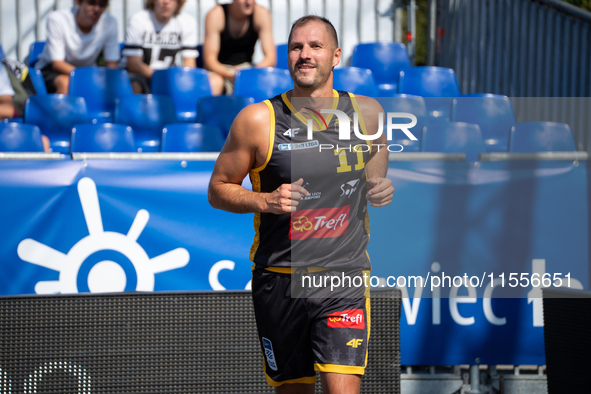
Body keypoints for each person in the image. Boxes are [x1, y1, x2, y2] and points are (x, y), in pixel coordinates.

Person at [208, 15, 394, 394]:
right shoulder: (257, 120)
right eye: (296, 47)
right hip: (279, 278)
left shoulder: (367, 112)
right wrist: (265, 200)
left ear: (336, 56)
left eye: (315, 46)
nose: (304, 55)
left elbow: (377, 148)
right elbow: (218, 189)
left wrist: (376, 179)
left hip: (342, 276)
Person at [35, 0, 120, 94]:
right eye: (91, 3)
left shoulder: (110, 22)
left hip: (86, 72)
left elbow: (111, 65)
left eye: (102, 4)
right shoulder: (57, 19)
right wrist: (88, 78)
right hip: (49, 69)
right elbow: (57, 64)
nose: (97, 9)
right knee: (66, 83)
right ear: (78, 2)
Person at [122, 0, 199, 93]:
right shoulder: (138, 19)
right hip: (141, 76)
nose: (166, 2)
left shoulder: (187, 21)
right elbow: (133, 64)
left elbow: (189, 64)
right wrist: (161, 77)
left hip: (169, 78)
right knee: (134, 86)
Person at [203, 0, 276, 95]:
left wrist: (248, 73)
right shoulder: (216, 14)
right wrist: (231, 74)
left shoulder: (261, 13)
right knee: (215, 82)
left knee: (269, 81)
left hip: (247, 68)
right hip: (220, 71)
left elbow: (270, 58)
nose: (249, 2)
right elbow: (210, 60)